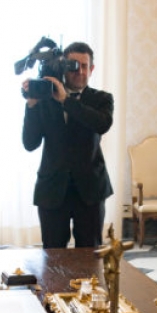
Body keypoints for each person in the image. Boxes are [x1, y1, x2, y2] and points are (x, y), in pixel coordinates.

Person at [22, 41, 113, 249]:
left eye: (84, 66)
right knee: (53, 257)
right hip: (52, 189)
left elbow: (101, 124)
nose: (79, 71)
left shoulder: (101, 99)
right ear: (64, 67)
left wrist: (66, 101)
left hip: (90, 190)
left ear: (92, 69)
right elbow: (29, 143)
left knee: (90, 256)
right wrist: (31, 105)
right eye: (73, 65)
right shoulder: (45, 99)